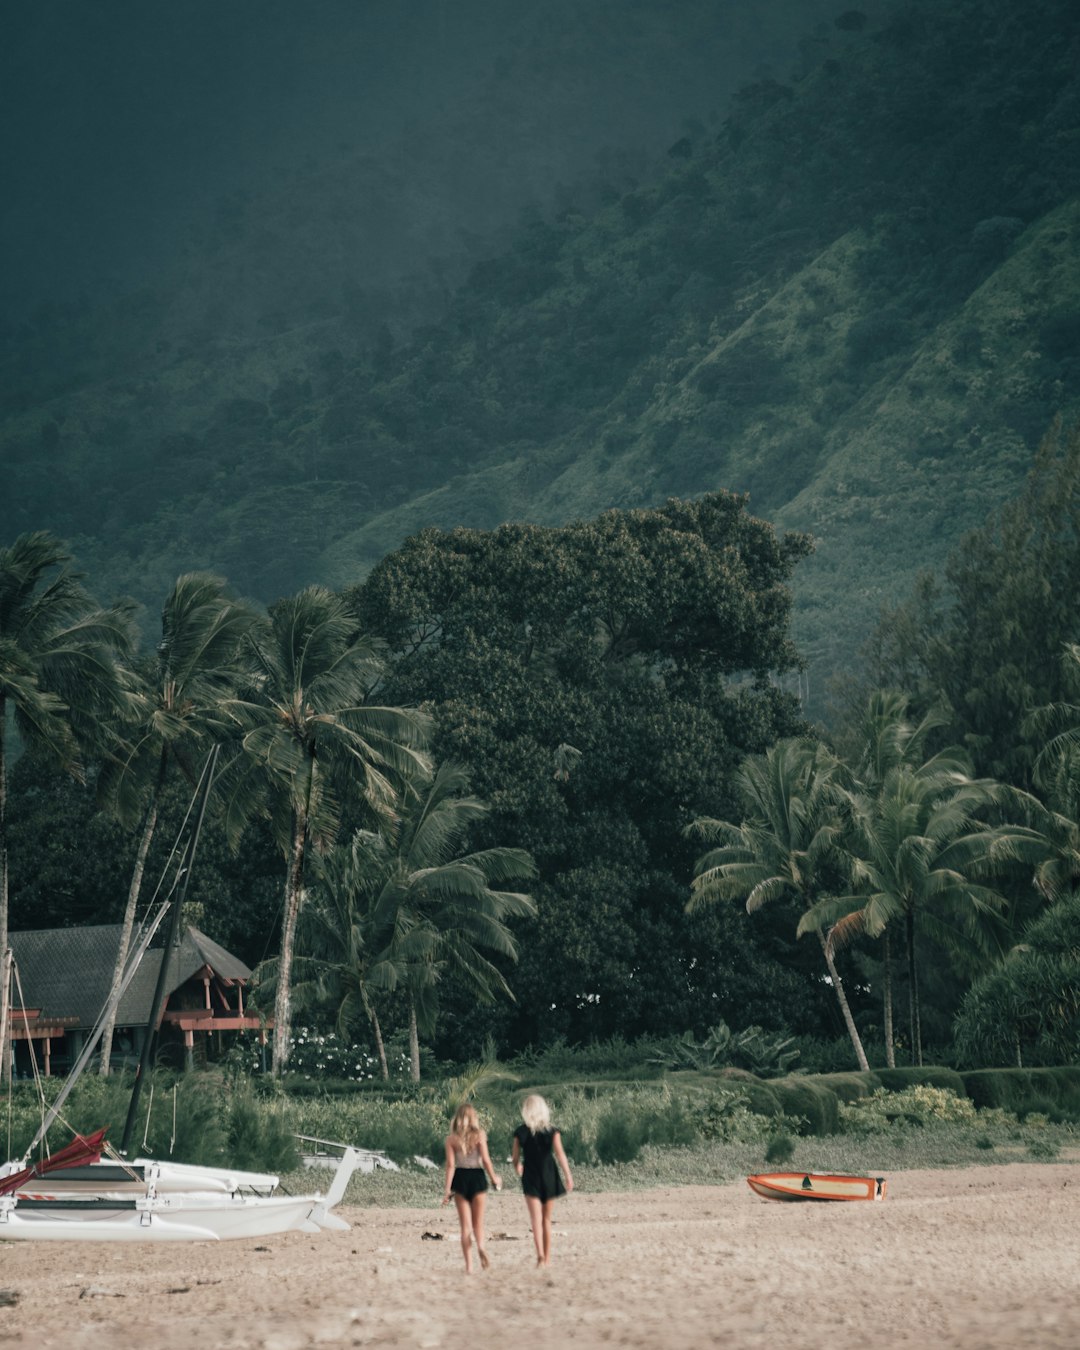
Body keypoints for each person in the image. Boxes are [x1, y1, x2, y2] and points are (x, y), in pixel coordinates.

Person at [511, 1093, 573, 1267]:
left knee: (535, 1219)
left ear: (526, 1111)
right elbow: (560, 1154)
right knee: (546, 1219)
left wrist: (517, 1167)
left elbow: (515, 1157)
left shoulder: (520, 1132)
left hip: (530, 1175)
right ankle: (547, 1258)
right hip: (548, 1175)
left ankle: (539, 1256)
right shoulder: (552, 1131)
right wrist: (568, 1175)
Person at [441, 1103, 502, 1273]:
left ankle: (469, 1267)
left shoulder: (451, 1139)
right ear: (473, 1117)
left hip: (460, 1179)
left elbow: (451, 1165)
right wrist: (494, 1179)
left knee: (465, 1227)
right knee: (478, 1225)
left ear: (458, 1118)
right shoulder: (479, 1135)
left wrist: (447, 1190)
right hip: (477, 1177)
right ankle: (481, 1247)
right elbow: (486, 1160)